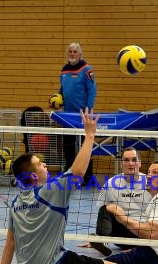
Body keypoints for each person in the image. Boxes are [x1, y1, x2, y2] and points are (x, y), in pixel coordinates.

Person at [2, 109, 137, 264]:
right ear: (32, 176)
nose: (45, 165)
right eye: (40, 164)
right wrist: (90, 135)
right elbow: (78, 171)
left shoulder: (15, 204)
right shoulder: (52, 191)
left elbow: (10, 244)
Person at [85, 147, 152, 256]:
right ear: (121, 164)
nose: (130, 163)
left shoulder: (150, 183)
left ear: (140, 163)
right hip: (121, 234)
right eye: (126, 160)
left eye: (134, 160)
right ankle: (102, 241)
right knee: (105, 208)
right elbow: (103, 214)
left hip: (143, 233)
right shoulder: (111, 183)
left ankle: (142, 247)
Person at [49, 42, 96, 184]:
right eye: (70, 51)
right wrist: (56, 99)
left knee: (85, 145)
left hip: (82, 115)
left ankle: (87, 178)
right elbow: (63, 90)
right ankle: (69, 175)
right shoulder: (64, 70)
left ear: (80, 54)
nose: (72, 54)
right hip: (67, 116)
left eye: (75, 51)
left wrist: (89, 107)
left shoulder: (86, 69)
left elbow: (92, 89)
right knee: (68, 144)